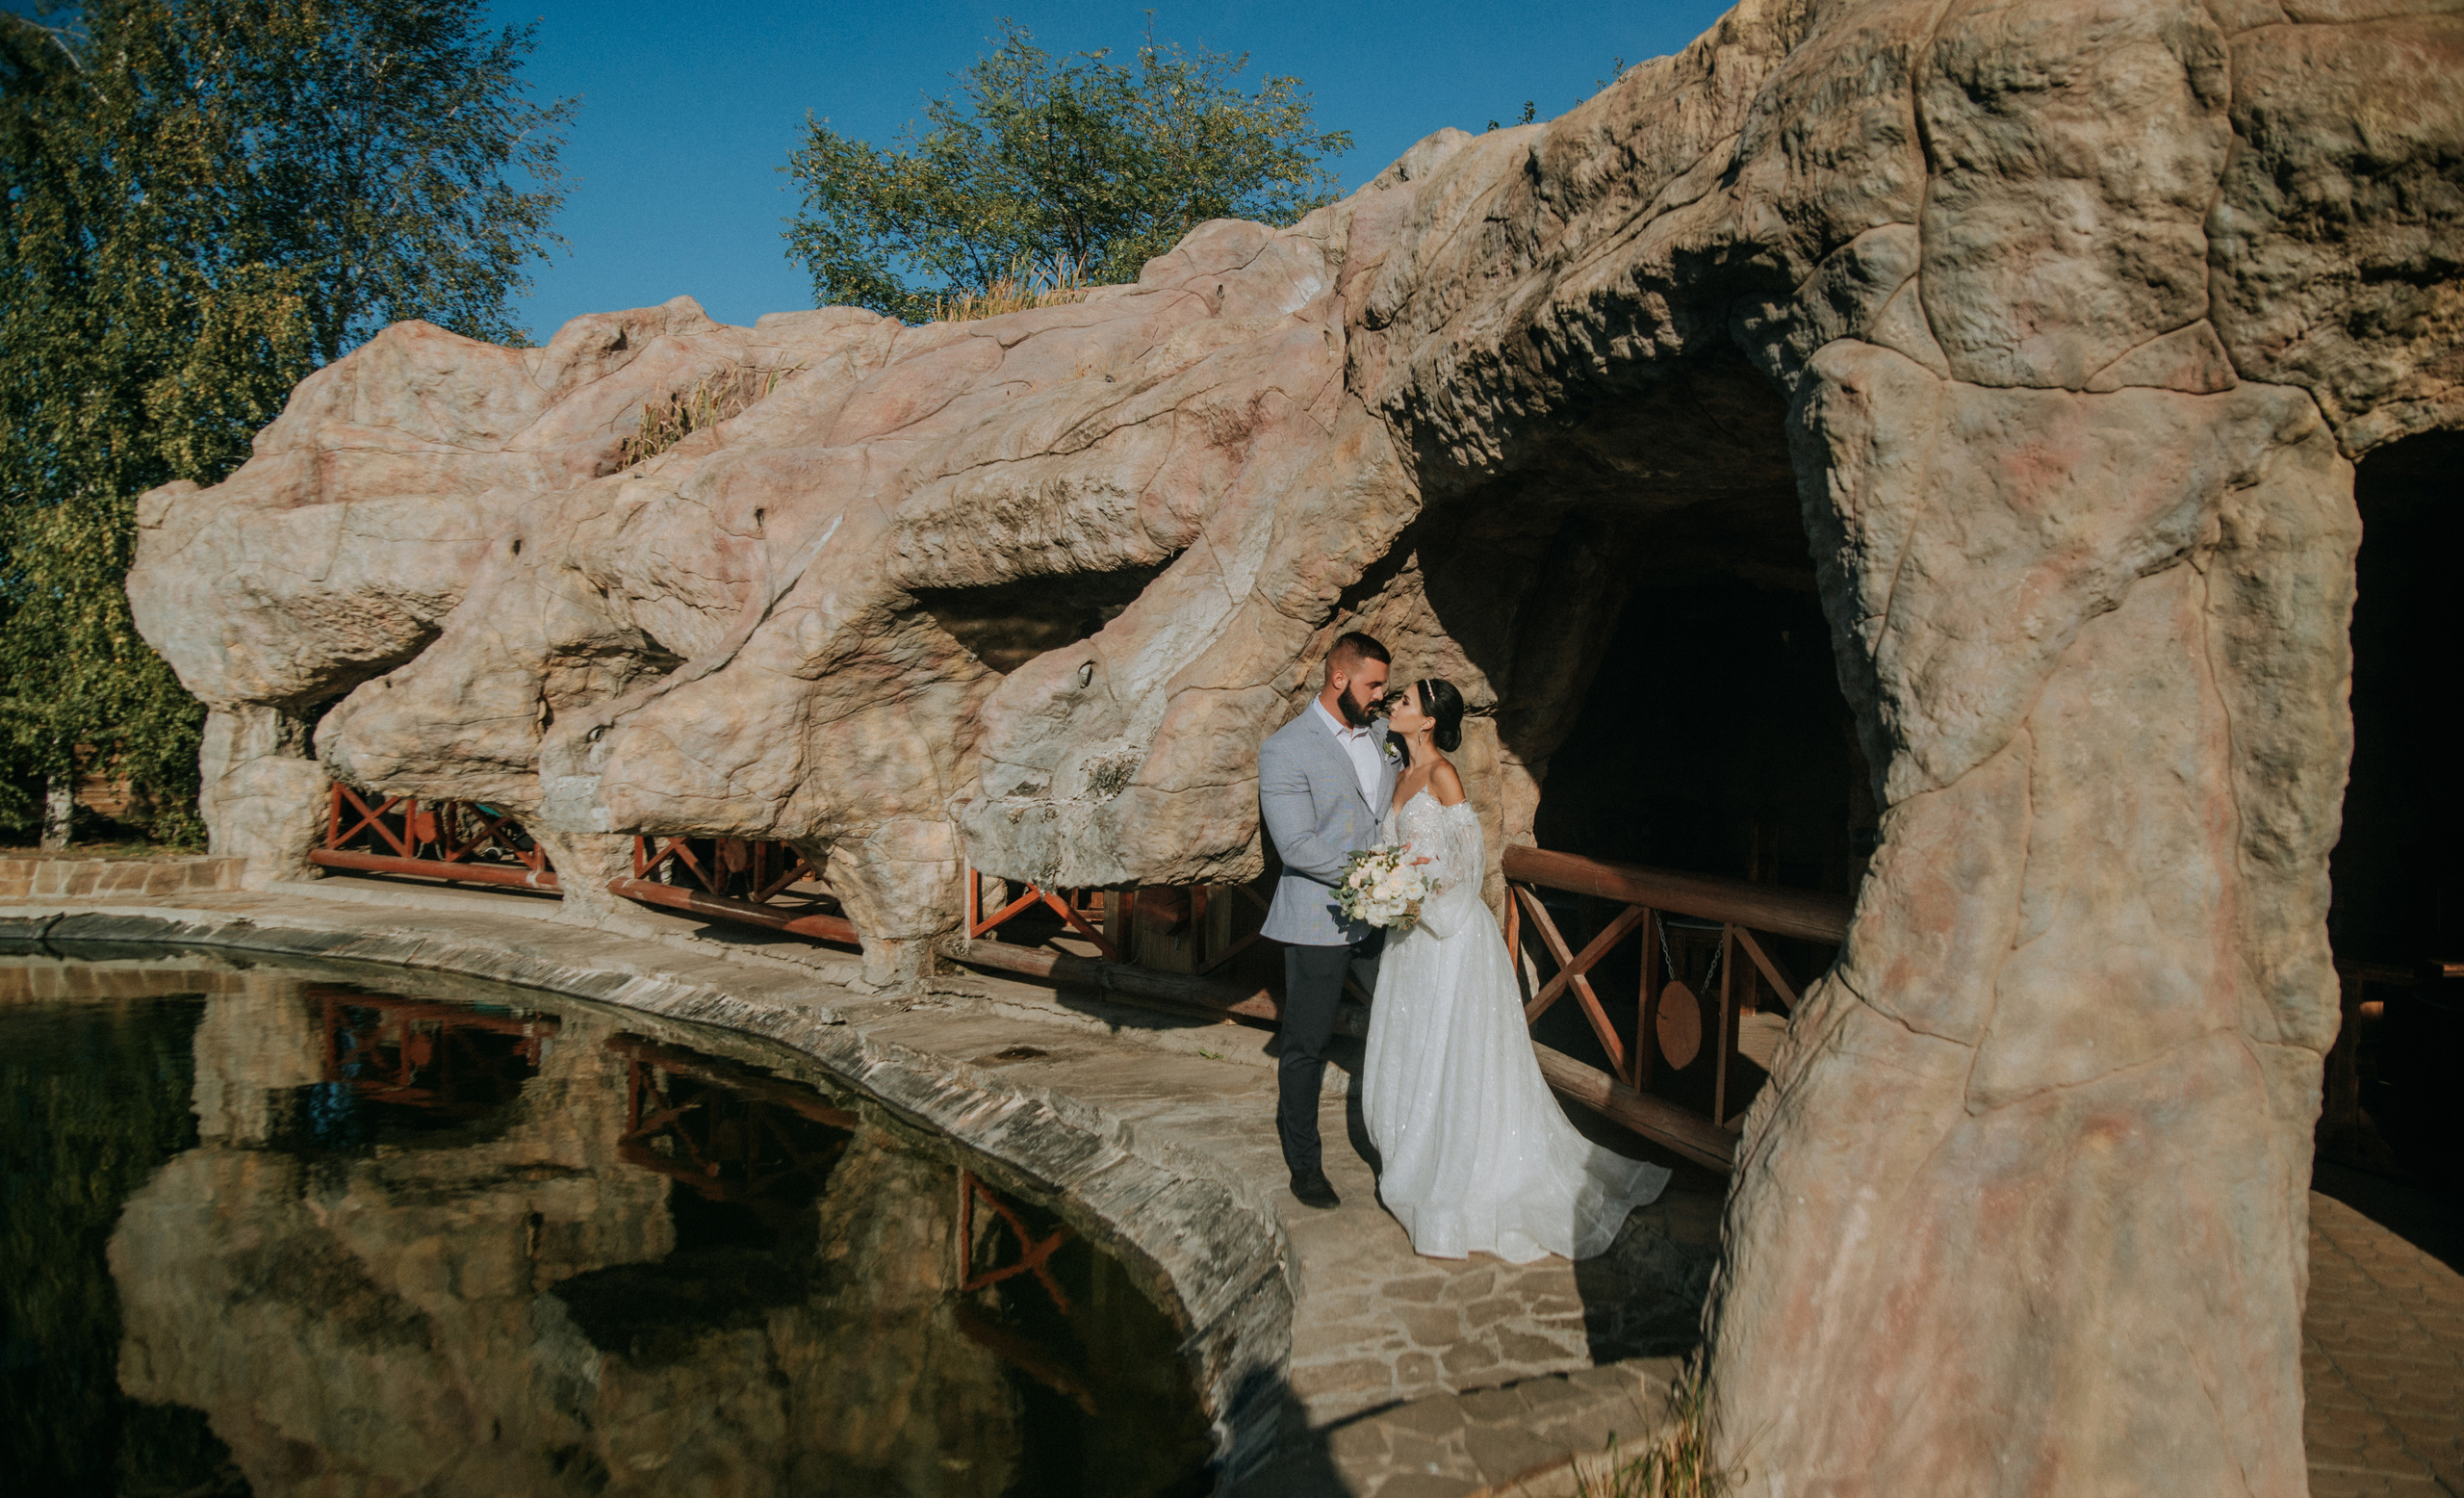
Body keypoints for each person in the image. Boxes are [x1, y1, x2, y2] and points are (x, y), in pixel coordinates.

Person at [1362, 677, 1670, 1261]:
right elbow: (1398, 851)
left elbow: (1468, 859)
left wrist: (1415, 899)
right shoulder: (1399, 775)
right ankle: (1416, 1151)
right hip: (1409, 939)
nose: (1394, 705)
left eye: (1403, 700)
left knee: (1456, 1050)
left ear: (1428, 721)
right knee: (1417, 1042)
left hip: (1448, 935)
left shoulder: (1442, 774)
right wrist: (1383, 888)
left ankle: (1466, 1168)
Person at [1257, 631, 1397, 1209]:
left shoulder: (1385, 734)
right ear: (1339, 679)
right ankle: (1305, 1167)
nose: (1382, 696)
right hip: (1318, 919)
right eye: (1374, 684)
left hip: (1382, 920)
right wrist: (1374, 877)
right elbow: (1297, 846)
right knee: (1306, 1046)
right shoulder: (1285, 749)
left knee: (1403, 1027)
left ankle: (1406, 1152)